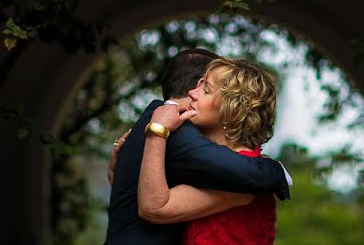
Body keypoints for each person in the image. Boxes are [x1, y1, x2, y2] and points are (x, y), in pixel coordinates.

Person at [105, 49, 290, 245]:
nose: (192, 93)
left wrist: (157, 130)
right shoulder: (211, 164)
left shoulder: (240, 180)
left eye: (206, 90)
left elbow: (155, 207)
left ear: (231, 111)